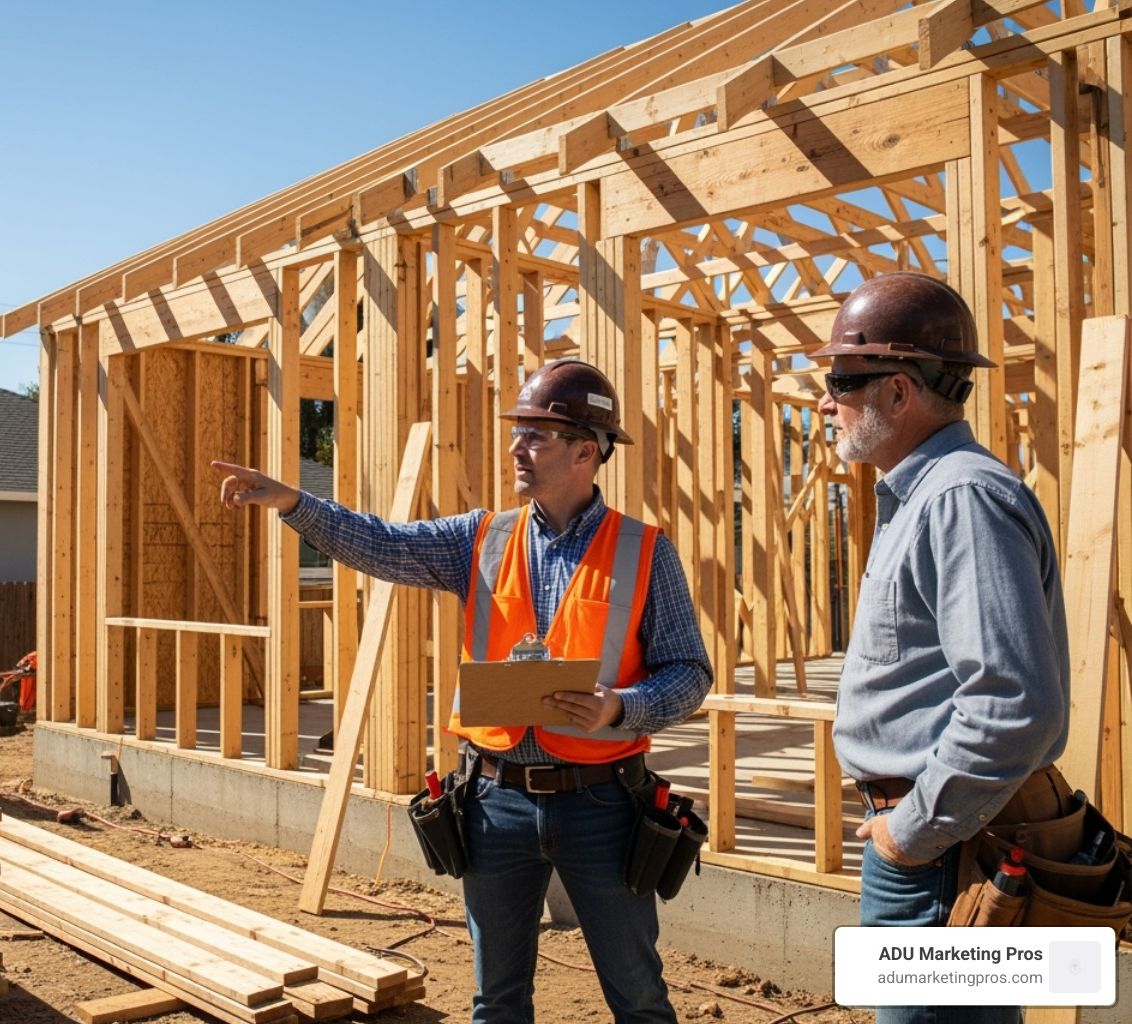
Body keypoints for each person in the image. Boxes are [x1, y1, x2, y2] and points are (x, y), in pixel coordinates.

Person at [215, 358, 711, 1024]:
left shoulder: (647, 550)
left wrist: (621, 707)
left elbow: (689, 673)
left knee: (640, 999)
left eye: (536, 434)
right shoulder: (480, 538)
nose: (517, 446)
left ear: (587, 451)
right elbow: (380, 543)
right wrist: (293, 503)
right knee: (496, 1001)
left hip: (603, 806)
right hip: (494, 800)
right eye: (519, 432)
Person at [812, 273, 1072, 1024]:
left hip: (937, 856)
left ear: (898, 392)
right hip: (934, 846)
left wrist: (911, 830)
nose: (826, 400)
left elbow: (1016, 704)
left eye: (841, 379)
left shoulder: (959, 498)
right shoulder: (923, 496)